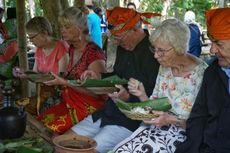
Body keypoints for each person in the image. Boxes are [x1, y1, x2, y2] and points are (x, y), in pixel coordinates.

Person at [63, 7, 161, 153]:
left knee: (88, 150)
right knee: (64, 143)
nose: (117, 42)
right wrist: (98, 77)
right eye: (115, 38)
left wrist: (128, 97)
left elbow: (155, 102)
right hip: (108, 111)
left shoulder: (154, 53)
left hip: (131, 120)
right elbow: (118, 76)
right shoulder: (124, 47)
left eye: (120, 37)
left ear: (135, 29)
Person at [113, 18, 208, 153]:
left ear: (178, 48)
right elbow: (153, 109)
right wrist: (142, 94)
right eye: (154, 49)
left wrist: (172, 120)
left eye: (161, 51)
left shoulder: (203, 74)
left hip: (184, 138)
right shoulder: (165, 67)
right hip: (156, 130)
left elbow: (205, 124)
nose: (156, 56)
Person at [36, 7, 107, 134]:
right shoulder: (72, 49)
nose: (62, 30)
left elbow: (99, 94)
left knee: (48, 130)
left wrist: (65, 83)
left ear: (79, 29)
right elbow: (69, 78)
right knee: (39, 122)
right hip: (71, 103)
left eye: (67, 27)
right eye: (62, 27)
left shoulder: (93, 53)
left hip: (89, 109)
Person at [175, 8, 230, 153]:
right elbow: (198, 119)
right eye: (212, 43)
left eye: (219, 44)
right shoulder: (212, 72)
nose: (212, 51)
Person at [13, 16, 69, 114]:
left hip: (60, 96)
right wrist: (25, 74)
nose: (30, 40)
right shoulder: (39, 49)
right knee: (16, 107)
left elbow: (61, 78)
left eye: (32, 37)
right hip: (43, 95)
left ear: (44, 33)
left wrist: (38, 77)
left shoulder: (61, 47)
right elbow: (36, 73)